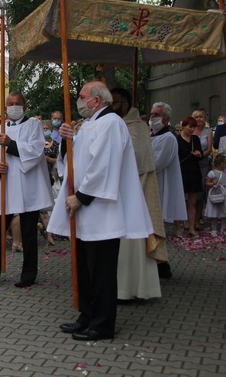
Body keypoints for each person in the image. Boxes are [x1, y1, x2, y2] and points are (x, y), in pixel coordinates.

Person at [49, 81, 153, 341]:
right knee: (85, 268)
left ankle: (103, 323)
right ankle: (87, 315)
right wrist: (66, 140)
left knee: (102, 271)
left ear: (96, 100)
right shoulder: (90, 124)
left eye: (82, 96)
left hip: (101, 210)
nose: (79, 101)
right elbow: (74, 160)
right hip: (86, 212)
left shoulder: (111, 123)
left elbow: (104, 165)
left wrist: (81, 197)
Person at [0, 92, 53, 288]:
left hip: (27, 186)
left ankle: (28, 275)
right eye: (10, 104)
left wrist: (11, 144)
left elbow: (35, 151)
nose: (14, 106)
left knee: (28, 232)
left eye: (17, 103)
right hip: (7, 185)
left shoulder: (33, 125)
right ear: (5, 107)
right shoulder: (1, 127)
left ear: (25, 107)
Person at [110, 87, 164, 301]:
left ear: (124, 104)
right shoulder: (120, 125)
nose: (109, 107)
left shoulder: (136, 128)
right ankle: (119, 288)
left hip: (133, 196)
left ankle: (132, 290)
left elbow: (135, 160)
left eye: (113, 102)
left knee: (130, 246)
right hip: (119, 195)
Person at [176, 116, 203, 236]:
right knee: (179, 201)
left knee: (193, 202)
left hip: (193, 172)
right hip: (181, 172)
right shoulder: (176, 139)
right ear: (184, 126)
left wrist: (198, 154)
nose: (192, 130)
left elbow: (200, 153)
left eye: (194, 127)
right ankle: (178, 228)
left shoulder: (195, 139)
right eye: (190, 127)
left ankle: (191, 227)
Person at [192, 109, 213, 231]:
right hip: (191, 162)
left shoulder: (208, 131)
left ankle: (198, 218)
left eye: (201, 117)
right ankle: (189, 219)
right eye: (196, 117)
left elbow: (209, 148)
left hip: (203, 162)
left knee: (200, 190)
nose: (199, 119)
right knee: (190, 191)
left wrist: (201, 155)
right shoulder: (190, 130)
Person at [203, 154, 226, 232]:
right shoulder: (212, 173)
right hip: (216, 192)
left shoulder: (224, 172)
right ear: (222, 164)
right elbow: (207, 183)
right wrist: (212, 183)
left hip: (224, 192)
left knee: (224, 212)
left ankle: (223, 228)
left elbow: (225, 180)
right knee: (214, 211)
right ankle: (214, 229)